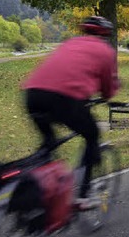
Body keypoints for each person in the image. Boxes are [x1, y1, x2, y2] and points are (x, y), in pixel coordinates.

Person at [22, 16, 120, 209]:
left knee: (48, 144)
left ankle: (28, 181)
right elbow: (108, 91)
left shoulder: (70, 43)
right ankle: (82, 196)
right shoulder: (105, 51)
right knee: (92, 135)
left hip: (32, 94)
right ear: (106, 35)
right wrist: (107, 93)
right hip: (65, 98)